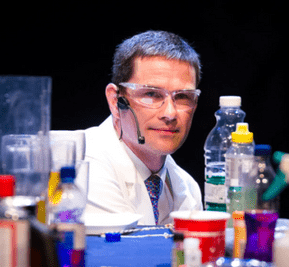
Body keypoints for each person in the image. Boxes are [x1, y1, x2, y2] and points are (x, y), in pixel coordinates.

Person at [84, 30, 203, 225]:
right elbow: (130, 253)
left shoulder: (187, 188)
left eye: (182, 97)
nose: (170, 113)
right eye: (151, 94)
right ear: (115, 101)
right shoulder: (84, 167)